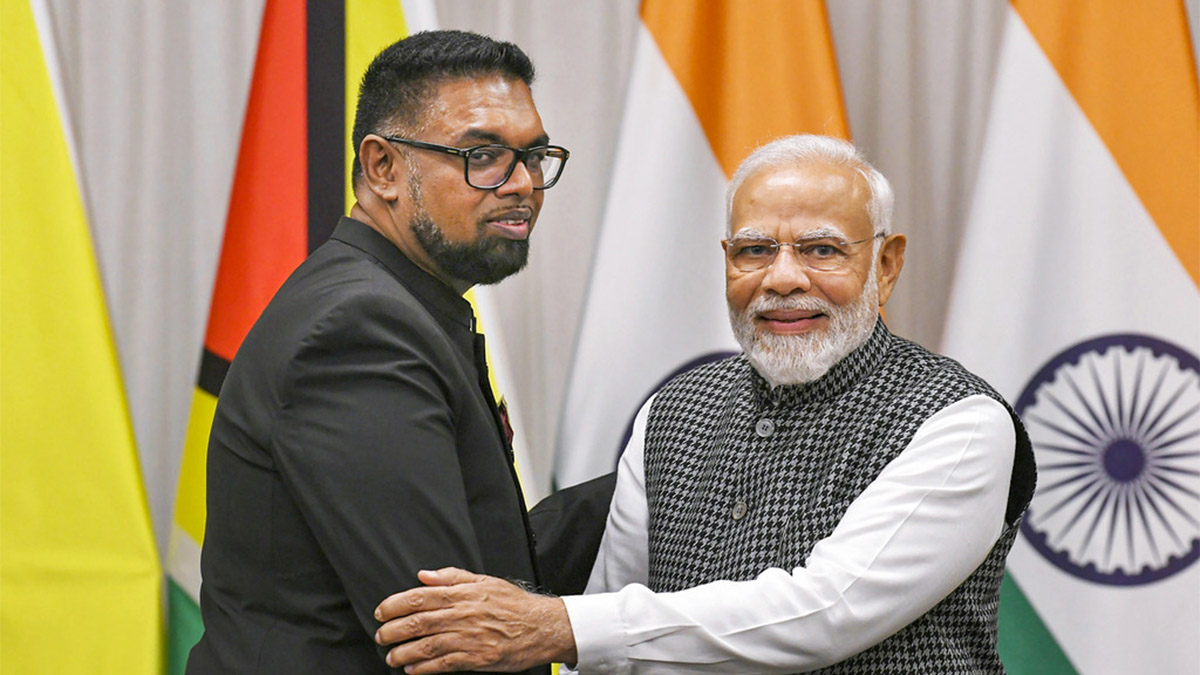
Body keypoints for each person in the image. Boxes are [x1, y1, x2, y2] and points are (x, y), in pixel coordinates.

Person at [372, 134, 1036, 674]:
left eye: (821, 249)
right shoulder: (673, 409)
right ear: (725, 260)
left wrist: (554, 623)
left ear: (886, 265)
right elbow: (609, 650)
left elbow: (824, 613)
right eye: (754, 250)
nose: (781, 277)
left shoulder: (960, 422)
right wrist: (573, 632)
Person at [186, 30, 569, 674]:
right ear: (383, 168)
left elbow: (488, 545)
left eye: (533, 156)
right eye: (483, 155)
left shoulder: (398, 299)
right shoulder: (358, 327)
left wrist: (658, 470)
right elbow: (449, 632)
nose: (521, 184)